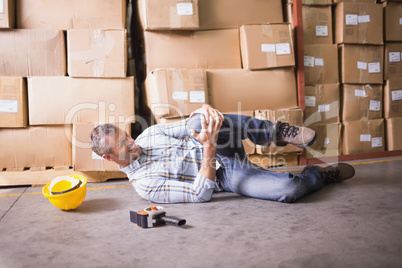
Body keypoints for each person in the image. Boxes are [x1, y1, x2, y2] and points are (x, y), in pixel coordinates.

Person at [90, 104, 355, 204]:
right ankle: (317, 175)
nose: (133, 143)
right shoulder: (145, 185)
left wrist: (204, 110)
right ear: (110, 158)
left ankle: (277, 132)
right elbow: (199, 194)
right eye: (124, 145)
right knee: (289, 190)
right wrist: (209, 148)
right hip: (223, 174)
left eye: (128, 136)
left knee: (198, 122)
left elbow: (190, 125)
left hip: (218, 142)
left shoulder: (147, 136)